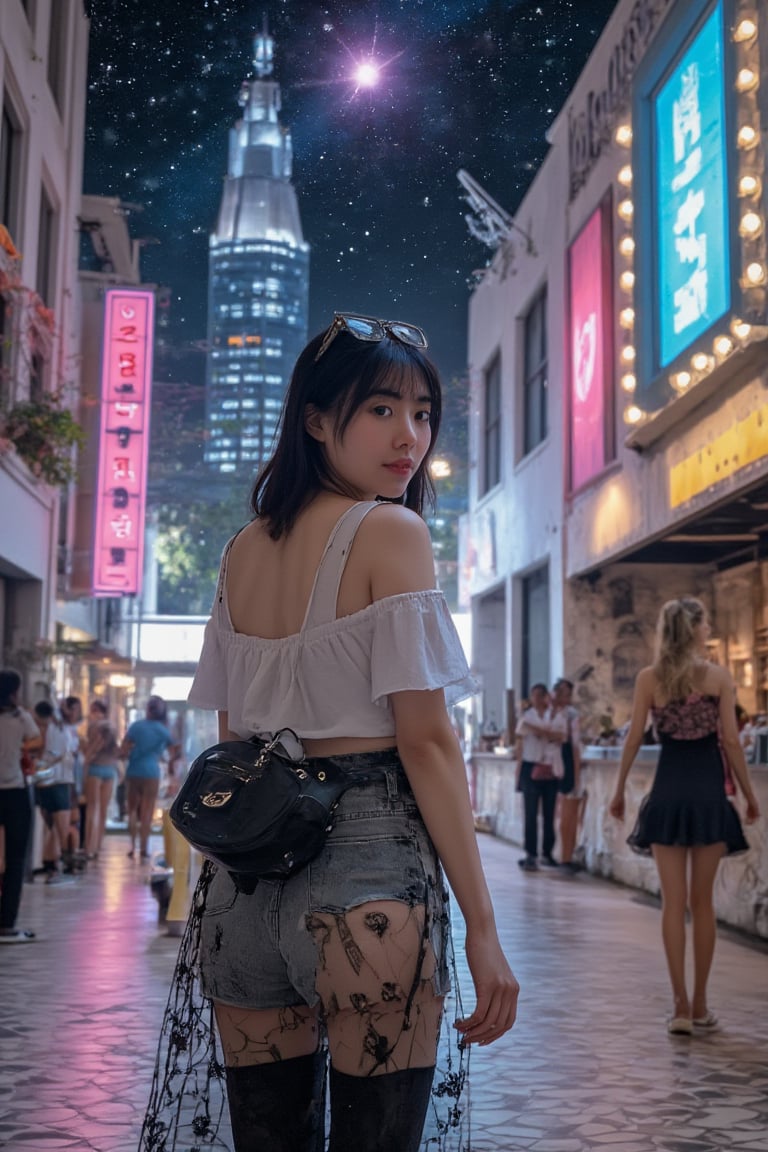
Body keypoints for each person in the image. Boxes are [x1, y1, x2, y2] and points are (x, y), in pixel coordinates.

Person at [140, 313, 519, 1152]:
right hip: (369, 886)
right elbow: (426, 742)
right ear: (315, 418)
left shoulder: (243, 550)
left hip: (242, 894)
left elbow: (232, 736)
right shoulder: (391, 531)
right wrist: (484, 930)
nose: (409, 436)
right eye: (382, 409)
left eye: (423, 412)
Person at [609, 597, 760, 1035]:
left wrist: (618, 790)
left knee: (672, 906)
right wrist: (749, 796)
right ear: (694, 630)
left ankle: (678, 1007)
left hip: (668, 795)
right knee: (703, 905)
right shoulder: (717, 677)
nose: (708, 628)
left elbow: (633, 738)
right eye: (705, 623)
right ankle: (700, 1005)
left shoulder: (649, 680)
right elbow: (732, 743)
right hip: (710, 795)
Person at [0, 670, 40, 941]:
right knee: (15, 860)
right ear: (14, 692)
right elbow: (37, 739)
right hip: (13, 792)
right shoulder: (20, 717)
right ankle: (7, 923)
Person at [515, 683, 567, 871]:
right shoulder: (527, 715)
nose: (536, 699)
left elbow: (562, 736)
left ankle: (547, 852)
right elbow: (522, 732)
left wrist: (539, 731)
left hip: (550, 766)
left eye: (539, 695)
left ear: (545, 697)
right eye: (533, 695)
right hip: (530, 765)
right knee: (530, 813)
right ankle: (530, 853)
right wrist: (547, 733)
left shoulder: (557, 715)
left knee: (549, 812)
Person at [120, 695, 179, 860]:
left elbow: (124, 750)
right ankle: (144, 849)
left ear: (147, 709)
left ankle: (132, 847)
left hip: (134, 770)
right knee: (147, 812)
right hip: (151, 771)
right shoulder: (162, 730)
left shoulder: (136, 726)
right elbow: (174, 751)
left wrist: (130, 753)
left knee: (132, 810)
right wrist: (169, 765)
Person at [30, 701, 77, 884]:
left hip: (48, 782)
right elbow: (59, 754)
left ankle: (52, 865)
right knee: (59, 827)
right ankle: (61, 866)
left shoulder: (52, 729)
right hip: (58, 781)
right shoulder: (58, 729)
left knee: (52, 826)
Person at [552, 678, 584, 874]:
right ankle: (565, 856)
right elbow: (575, 746)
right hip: (562, 763)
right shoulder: (565, 714)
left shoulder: (564, 714)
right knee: (567, 813)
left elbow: (575, 745)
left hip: (560, 763)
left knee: (568, 812)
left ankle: (566, 855)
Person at [83, 699, 120, 860]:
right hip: (109, 769)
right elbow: (115, 750)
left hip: (96, 768)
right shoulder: (112, 727)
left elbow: (95, 746)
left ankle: (88, 847)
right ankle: (98, 846)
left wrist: (87, 758)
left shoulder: (94, 726)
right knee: (103, 810)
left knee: (92, 808)